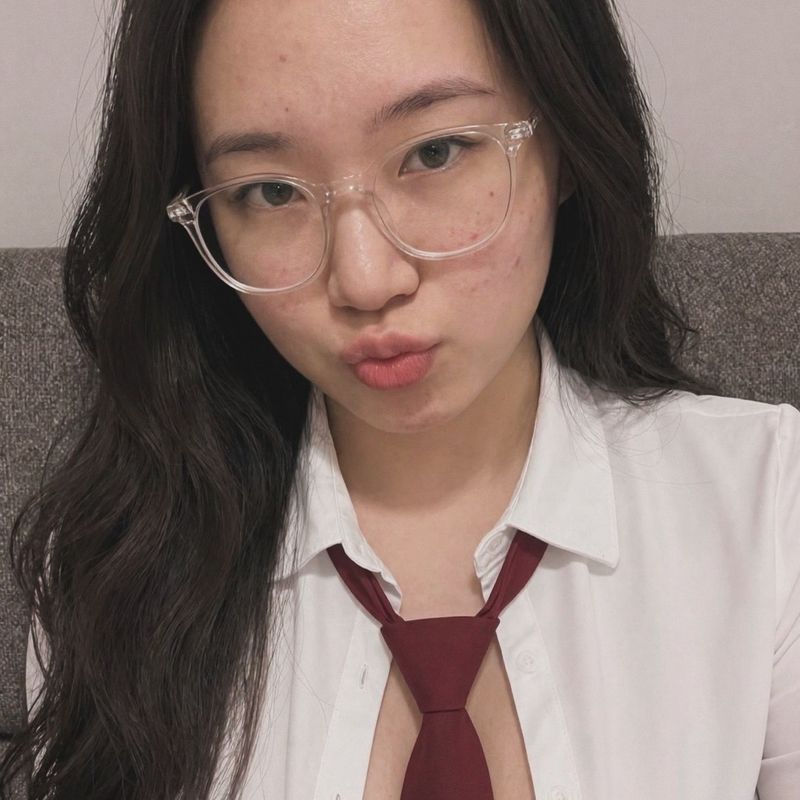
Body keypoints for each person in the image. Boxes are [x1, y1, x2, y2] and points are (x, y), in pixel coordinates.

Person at [2, 0, 798, 798]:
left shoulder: (765, 506)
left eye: (435, 151)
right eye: (270, 192)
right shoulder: (111, 575)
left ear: (566, 140)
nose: (365, 279)